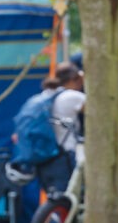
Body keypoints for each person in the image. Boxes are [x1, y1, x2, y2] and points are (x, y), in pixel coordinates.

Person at [35, 61, 85, 195]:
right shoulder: (72, 96)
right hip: (66, 155)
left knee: (57, 200)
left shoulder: (46, 95)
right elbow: (101, 111)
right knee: (71, 198)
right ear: (74, 79)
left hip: (45, 157)